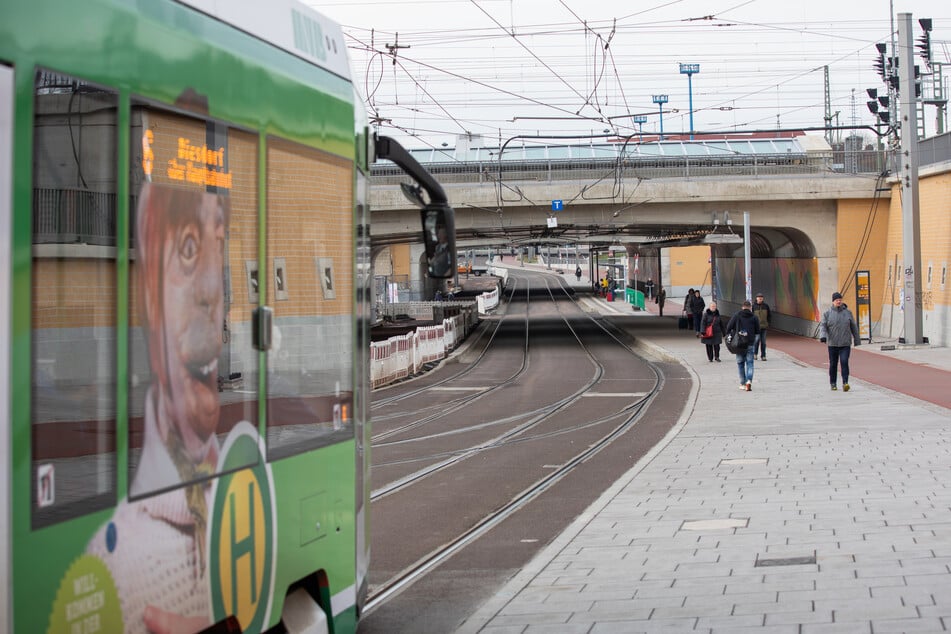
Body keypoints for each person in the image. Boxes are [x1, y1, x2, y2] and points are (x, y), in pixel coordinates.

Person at [819, 291, 861, 391]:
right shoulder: (827, 313)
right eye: (837, 300)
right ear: (833, 301)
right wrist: (823, 336)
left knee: (844, 361)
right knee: (833, 363)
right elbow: (823, 326)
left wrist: (857, 340)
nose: (839, 302)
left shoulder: (848, 313)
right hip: (833, 344)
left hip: (845, 343)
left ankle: (845, 383)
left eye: (840, 300)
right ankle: (833, 383)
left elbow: (853, 327)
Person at [726, 300, 761, 391]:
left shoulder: (737, 315)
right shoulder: (754, 317)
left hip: (739, 344)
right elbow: (758, 332)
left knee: (740, 364)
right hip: (750, 343)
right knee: (750, 363)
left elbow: (729, 327)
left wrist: (730, 336)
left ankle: (742, 383)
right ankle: (749, 380)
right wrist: (753, 342)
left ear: (742, 307)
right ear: (750, 307)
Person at [752, 292, 772, 361]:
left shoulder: (766, 306)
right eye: (759, 298)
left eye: (761, 298)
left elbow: (769, 315)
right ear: (756, 298)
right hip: (756, 327)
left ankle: (763, 355)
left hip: (764, 327)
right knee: (756, 341)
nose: (760, 299)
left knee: (763, 342)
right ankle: (755, 354)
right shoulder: (753, 306)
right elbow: (751, 316)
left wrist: (768, 323)